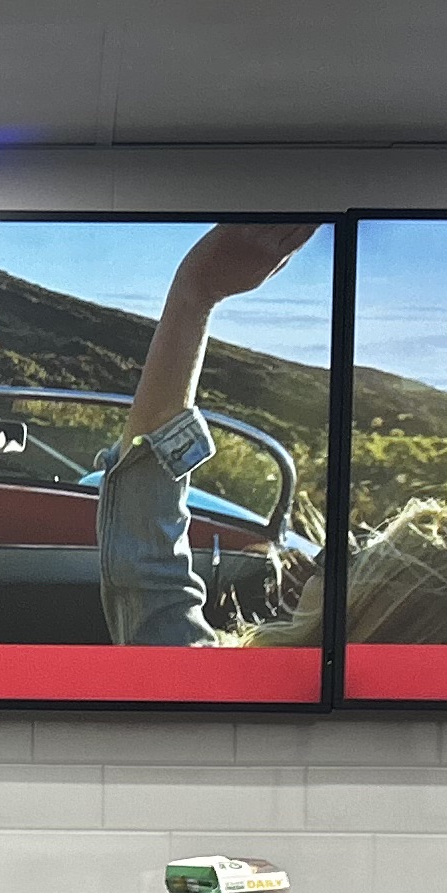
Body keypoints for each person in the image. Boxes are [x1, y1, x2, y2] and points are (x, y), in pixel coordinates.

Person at [92, 220, 321, 646]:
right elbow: (148, 572)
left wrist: (195, 295)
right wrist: (194, 294)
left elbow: (147, 572)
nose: (330, 556)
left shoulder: (213, 689)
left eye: (364, 561)